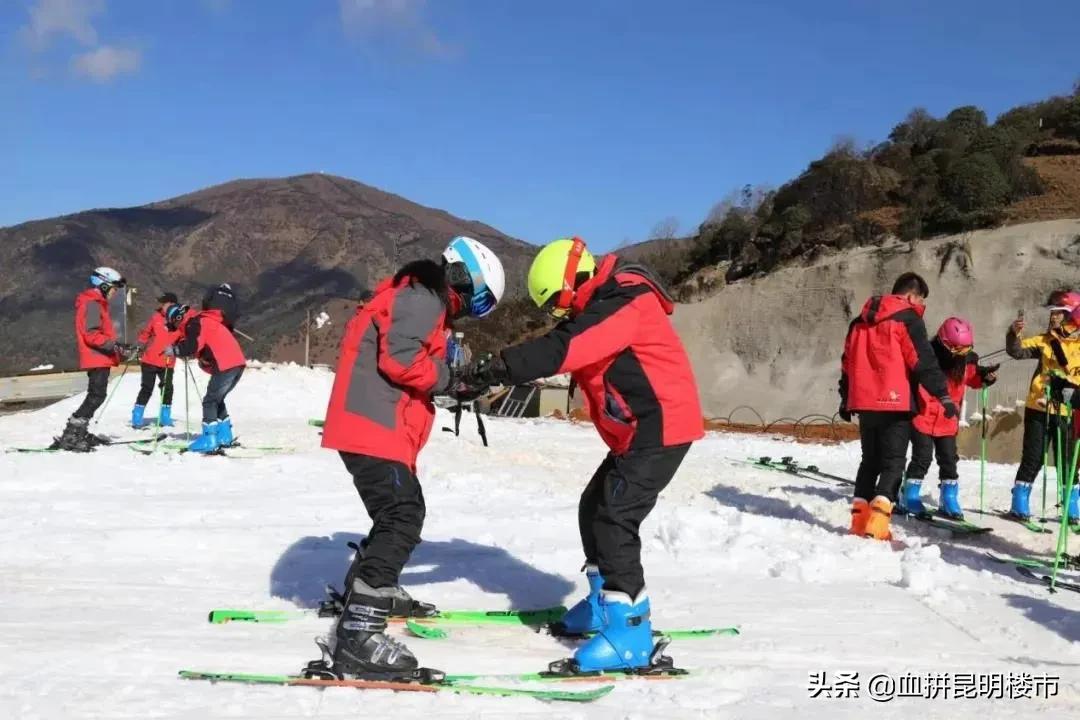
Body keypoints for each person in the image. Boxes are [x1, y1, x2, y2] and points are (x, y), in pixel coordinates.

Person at [456, 237, 703, 674]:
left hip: (661, 428)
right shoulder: (606, 303)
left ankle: (629, 630)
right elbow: (564, 341)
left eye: (556, 305)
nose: (558, 314)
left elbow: (564, 349)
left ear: (571, 285)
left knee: (615, 517)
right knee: (594, 506)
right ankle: (601, 601)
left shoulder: (626, 302)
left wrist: (495, 367)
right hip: (640, 430)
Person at [320, 236, 505, 678]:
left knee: (394, 513)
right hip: (372, 428)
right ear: (463, 280)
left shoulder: (414, 297)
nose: (469, 313)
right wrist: (450, 378)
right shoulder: (424, 299)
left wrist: (451, 381)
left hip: (373, 427)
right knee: (403, 515)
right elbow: (402, 361)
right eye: (477, 303)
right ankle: (360, 632)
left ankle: (364, 591)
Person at [838, 272, 952, 541]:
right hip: (894, 401)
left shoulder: (859, 322)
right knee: (893, 462)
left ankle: (859, 521)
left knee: (870, 461)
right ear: (912, 296)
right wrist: (943, 395)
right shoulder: (908, 318)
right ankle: (878, 523)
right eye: (921, 300)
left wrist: (845, 397)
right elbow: (922, 359)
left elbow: (847, 363)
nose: (921, 305)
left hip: (864, 401)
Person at [900, 317, 998, 520]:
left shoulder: (964, 362)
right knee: (922, 457)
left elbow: (971, 377)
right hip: (923, 416)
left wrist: (984, 378)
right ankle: (908, 495)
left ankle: (949, 497)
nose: (962, 354)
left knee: (948, 459)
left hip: (947, 420)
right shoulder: (927, 358)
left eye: (965, 349)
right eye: (957, 350)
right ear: (944, 344)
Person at [1004, 289, 1080, 521]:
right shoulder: (1044, 340)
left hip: (1069, 410)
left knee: (1068, 461)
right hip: (1038, 408)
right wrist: (1013, 334)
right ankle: (1019, 502)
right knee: (1033, 457)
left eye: (1058, 312)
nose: (1053, 317)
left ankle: (1072, 506)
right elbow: (1016, 351)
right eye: (1052, 313)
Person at [53, 267, 138, 452]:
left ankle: (78, 432)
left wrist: (118, 347)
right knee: (96, 396)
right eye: (114, 289)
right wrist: (115, 346)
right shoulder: (92, 304)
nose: (115, 293)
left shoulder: (96, 303)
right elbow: (91, 335)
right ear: (104, 285)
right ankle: (72, 435)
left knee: (96, 395)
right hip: (96, 356)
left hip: (99, 357)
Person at [174, 284, 246, 453]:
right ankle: (224, 435)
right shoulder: (209, 320)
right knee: (217, 399)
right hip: (237, 363)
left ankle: (209, 438)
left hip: (226, 364)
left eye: (174, 321)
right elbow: (208, 348)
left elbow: (192, 345)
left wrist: (176, 349)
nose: (175, 327)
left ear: (179, 317)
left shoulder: (196, 323)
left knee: (210, 400)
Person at [131, 292, 181, 428]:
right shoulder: (156, 317)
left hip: (167, 361)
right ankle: (137, 415)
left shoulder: (179, 320)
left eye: (164, 303)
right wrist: (139, 345)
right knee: (147, 388)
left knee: (167, 389)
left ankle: (165, 417)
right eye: (162, 303)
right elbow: (146, 333)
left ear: (172, 304)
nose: (162, 306)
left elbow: (183, 338)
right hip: (149, 359)